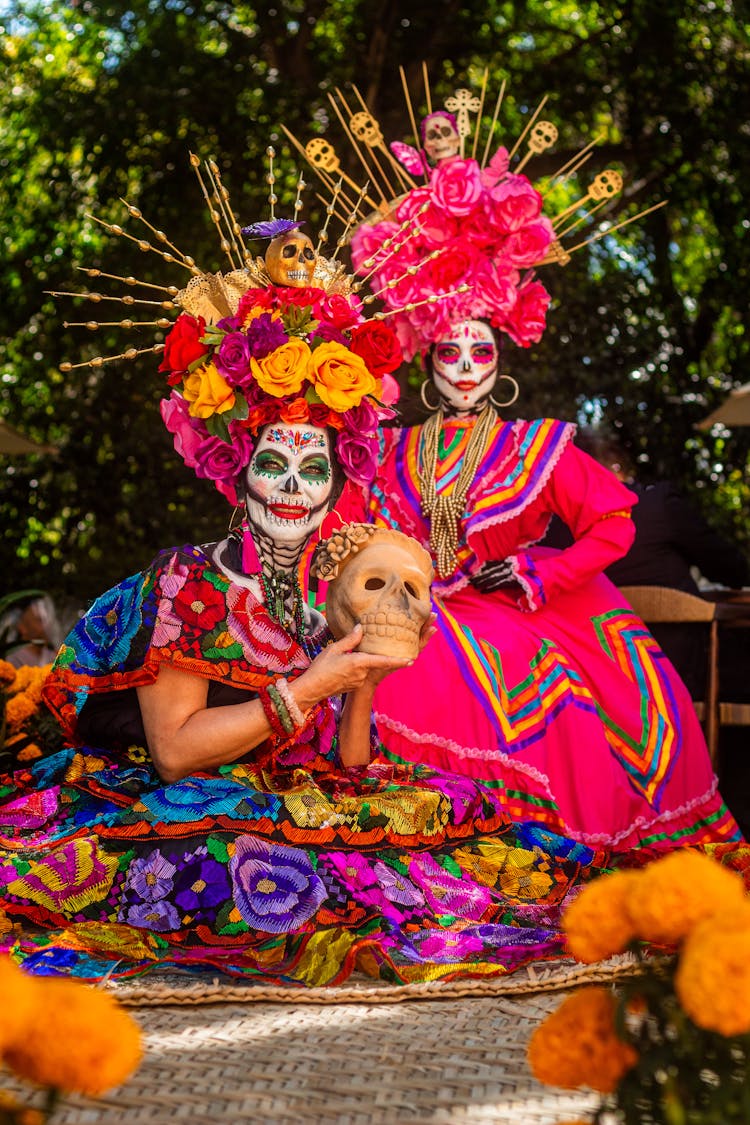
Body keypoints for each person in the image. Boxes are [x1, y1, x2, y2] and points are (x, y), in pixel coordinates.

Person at [0, 201, 655, 988]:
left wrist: (362, 682)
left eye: (315, 471)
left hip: (294, 786)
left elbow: (348, 759)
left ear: (337, 481)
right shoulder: (192, 579)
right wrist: (309, 685)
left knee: (455, 830)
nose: (293, 489)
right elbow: (175, 754)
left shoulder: (323, 577)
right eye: (273, 464)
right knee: (245, 867)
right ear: (235, 470)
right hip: (182, 791)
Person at [343, 103, 742, 852]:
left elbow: (613, 524)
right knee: (387, 647)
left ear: (503, 358)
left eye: (480, 352)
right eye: (448, 353)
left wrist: (537, 571)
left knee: (473, 664)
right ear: (426, 362)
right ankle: (397, 839)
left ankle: (497, 840)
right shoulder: (390, 451)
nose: (464, 368)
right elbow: (351, 538)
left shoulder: (536, 447)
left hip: (511, 611)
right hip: (415, 603)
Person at [544, 428, 750, 697]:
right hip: (681, 677)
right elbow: (731, 569)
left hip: (588, 686)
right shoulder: (656, 505)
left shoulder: (545, 531)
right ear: (615, 468)